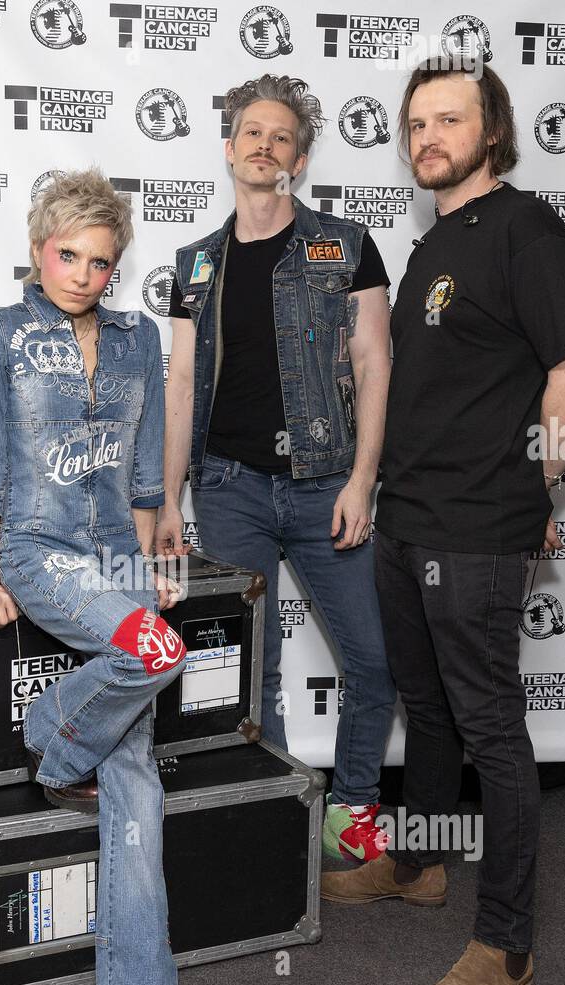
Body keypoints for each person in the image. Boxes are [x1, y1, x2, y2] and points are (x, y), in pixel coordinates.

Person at [324, 58, 565, 985]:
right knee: (427, 707)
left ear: (493, 132)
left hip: (476, 530)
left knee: (491, 730)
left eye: (449, 119)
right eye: (415, 124)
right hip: (407, 519)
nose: (427, 137)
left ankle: (508, 946)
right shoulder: (437, 241)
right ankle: (418, 865)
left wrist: (533, 484)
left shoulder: (525, 228)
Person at [0, 169, 185, 985]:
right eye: (69, 255)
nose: (85, 274)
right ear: (36, 245)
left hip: (114, 555)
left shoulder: (137, 341)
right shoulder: (0, 334)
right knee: (158, 657)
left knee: (134, 769)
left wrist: (143, 567)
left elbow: (140, 472)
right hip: (39, 551)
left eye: (102, 261)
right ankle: (53, 735)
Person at [157, 74, 396, 868]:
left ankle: (353, 808)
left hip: (328, 484)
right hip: (228, 488)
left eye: (281, 136)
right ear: (229, 149)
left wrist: (363, 480)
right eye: (251, 132)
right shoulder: (194, 264)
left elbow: (373, 362)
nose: (265, 145)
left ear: (299, 156)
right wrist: (166, 499)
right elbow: (182, 387)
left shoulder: (347, 245)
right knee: (250, 671)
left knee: (370, 660)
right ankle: (284, 809)